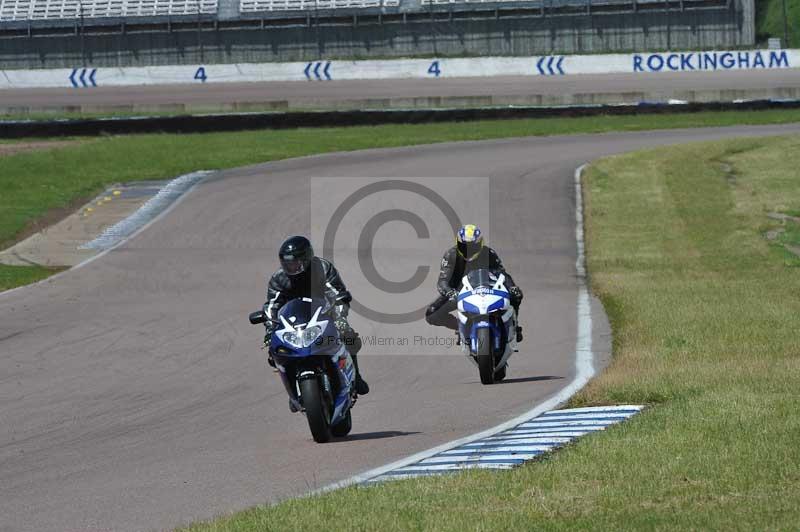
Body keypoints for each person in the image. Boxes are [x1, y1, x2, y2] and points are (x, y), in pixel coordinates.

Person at [263, 235, 369, 396]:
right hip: (295, 321)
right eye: (287, 264)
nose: (292, 268)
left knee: (350, 337)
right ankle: (293, 392)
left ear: (306, 259)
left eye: (295, 263)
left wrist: (340, 318)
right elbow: (272, 306)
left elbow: (337, 294)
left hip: (324, 314)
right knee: (274, 351)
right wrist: (270, 330)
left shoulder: (323, 268)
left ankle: (356, 377)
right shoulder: (278, 279)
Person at [425, 224, 523, 341]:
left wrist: (512, 287)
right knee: (432, 314)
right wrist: (451, 293)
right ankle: (461, 327)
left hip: (488, 288)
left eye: (472, 246)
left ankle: (515, 327)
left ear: (480, 243)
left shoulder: (489, 253)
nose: (468, 250)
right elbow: (442, 281)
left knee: (516, 295)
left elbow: (502, 274)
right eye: (464, 246)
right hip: (460, 292)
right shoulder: (450, 255)